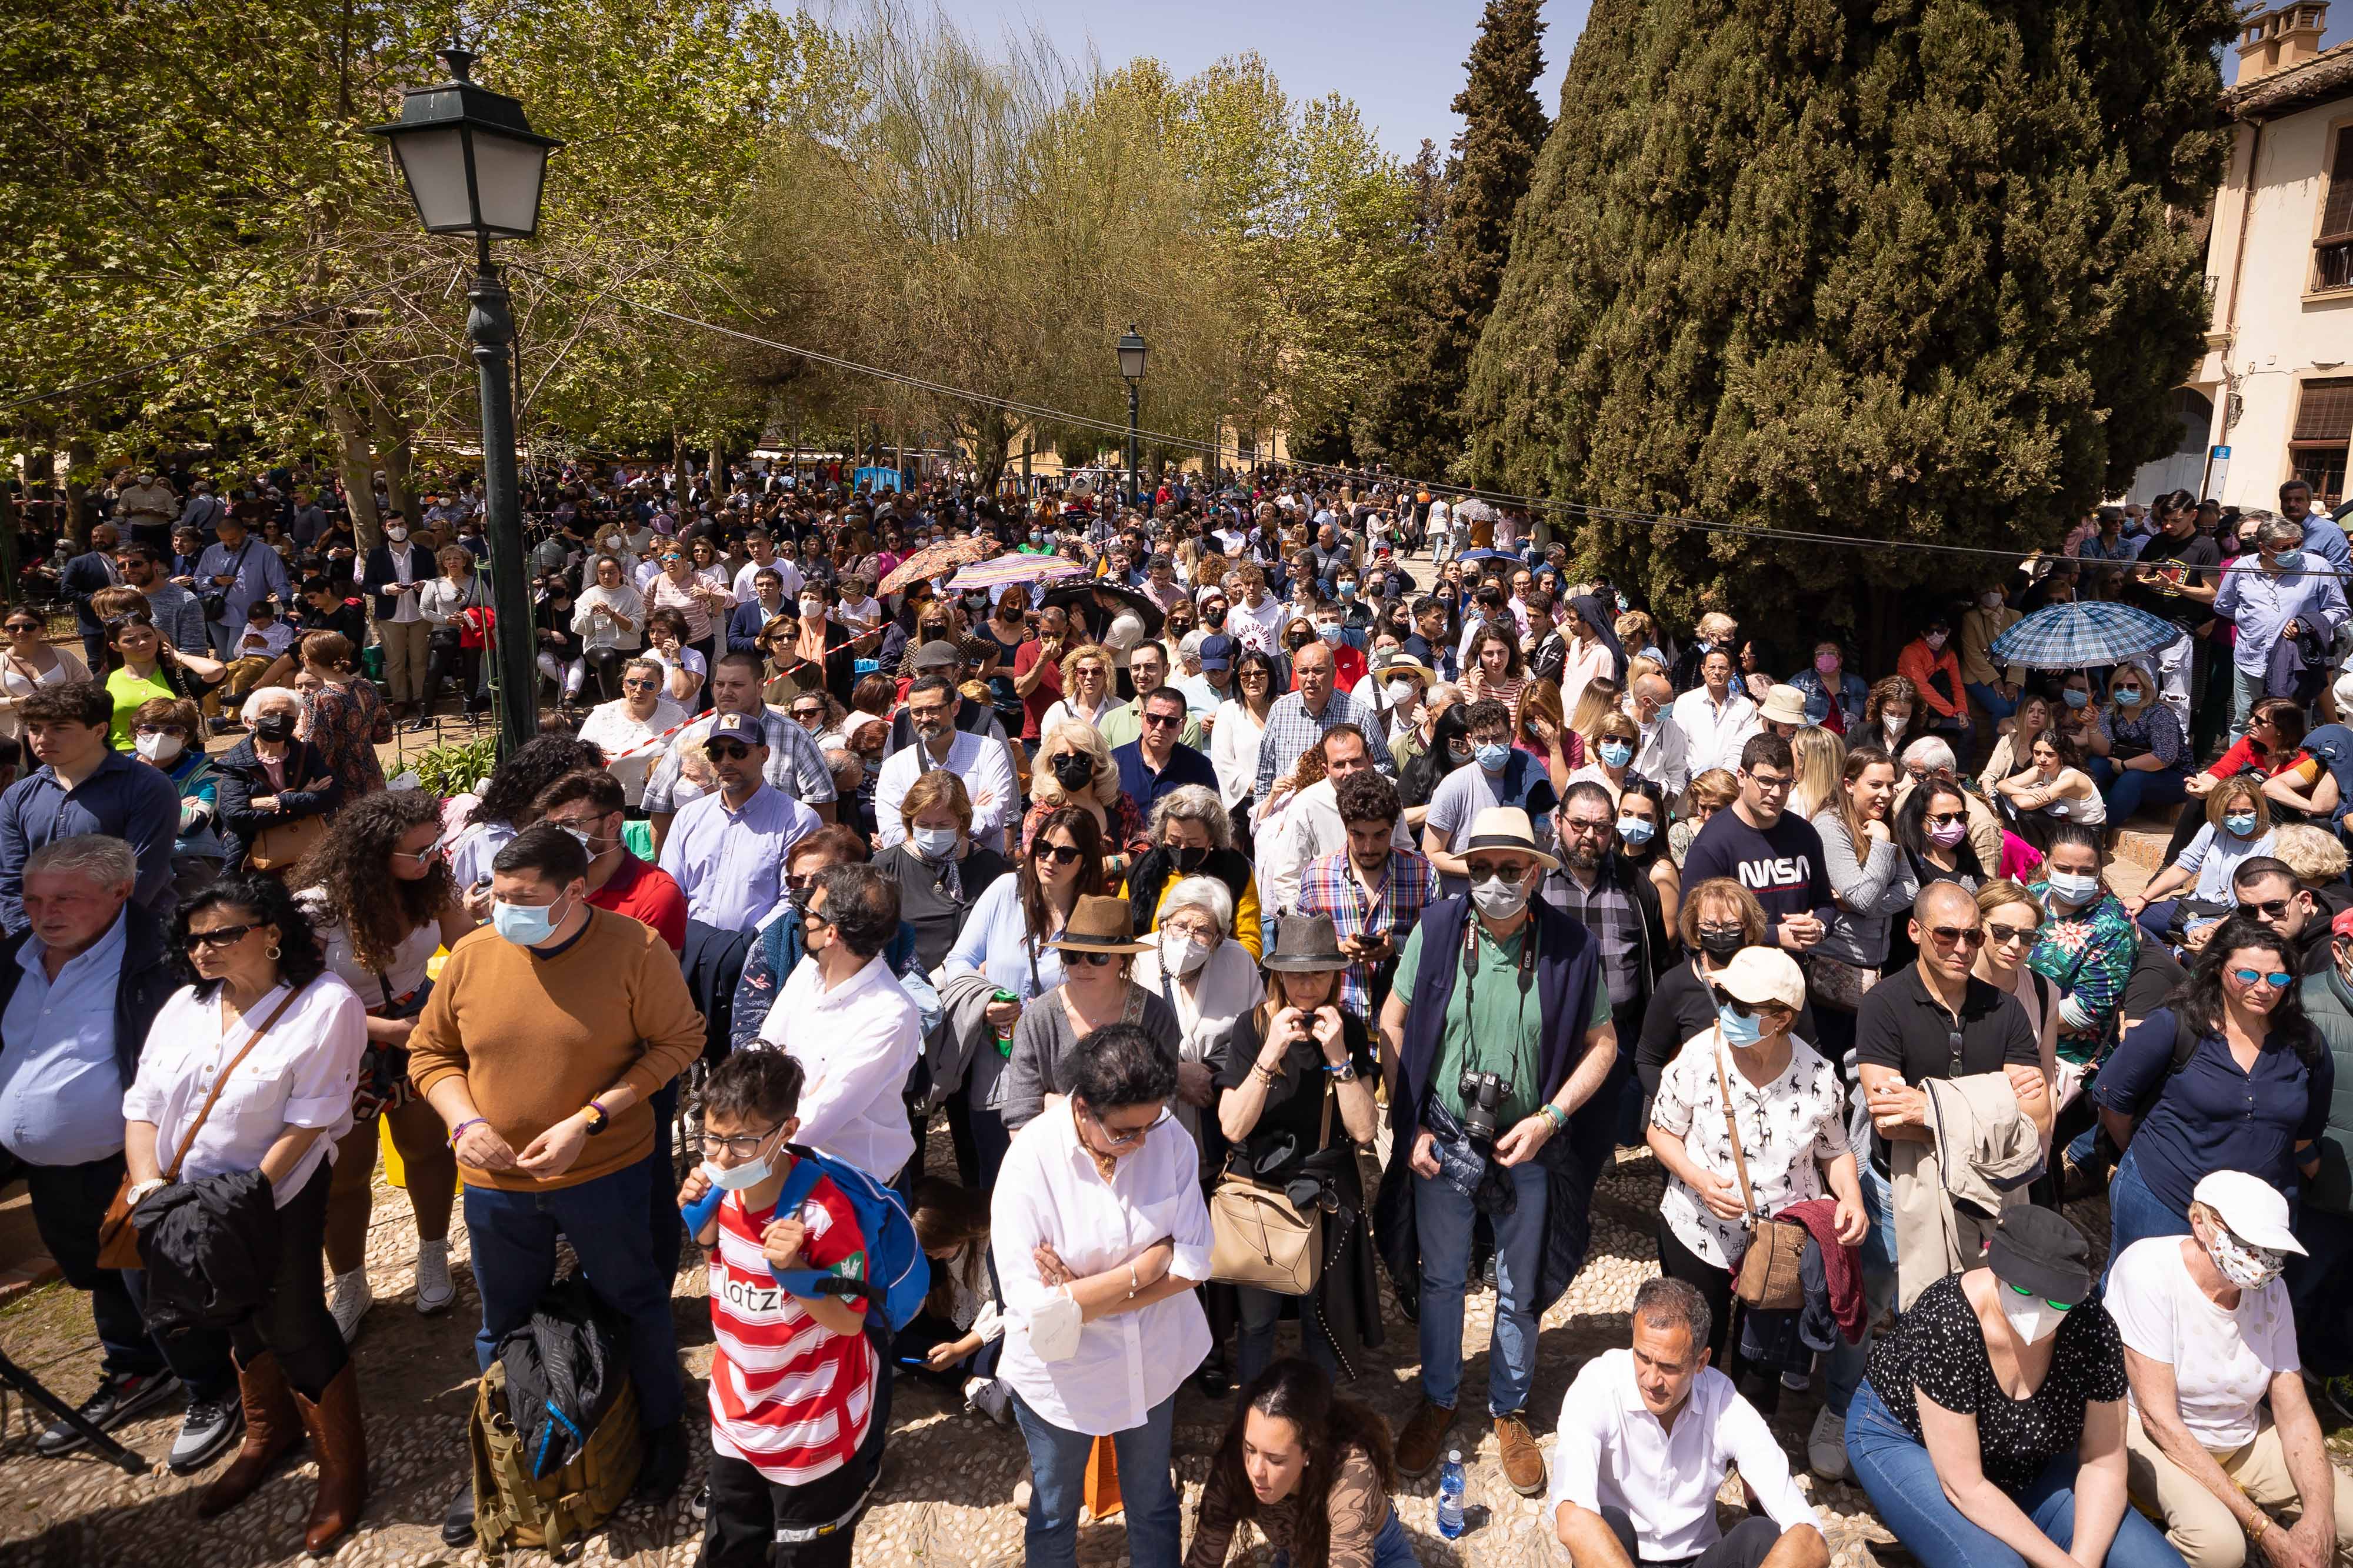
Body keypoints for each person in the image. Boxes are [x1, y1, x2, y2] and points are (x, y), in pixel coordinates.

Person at [409, 825, 708, 1543]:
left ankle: (660, 1427)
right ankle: (507, 1451)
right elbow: (431, 1051)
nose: (501, 909)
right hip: (494, 1182)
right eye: (495, 894)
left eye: (522, 898)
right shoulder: (475, 954)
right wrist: (460, 1120)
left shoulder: (634, 950)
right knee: (503, 1320)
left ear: (575, 891)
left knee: (635, 1300)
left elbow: (680, 1040)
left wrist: (592, 1118)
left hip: (604, 1170)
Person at [1376, 806, 1618, 1497]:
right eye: (1479, 868)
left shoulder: (1571, 946)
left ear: (1536, 873)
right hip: (1444, 1132)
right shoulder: (1438, 927)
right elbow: (1391, 1019)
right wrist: (1409, 1119)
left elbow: (1602, 1045)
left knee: (1519, 1287)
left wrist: (1550, 1116)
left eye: (1510, 869)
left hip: (1528, 1143)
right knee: (1441, 1278)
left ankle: (1509, 1408)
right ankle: (1440, 1394)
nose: (1493, 882)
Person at [124, 873, 370, 1552]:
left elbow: (311, 1120)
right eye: (195, 937)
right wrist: (150, 1189)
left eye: (225, 933)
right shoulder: (183, 1005)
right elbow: (142, 1104)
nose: (205, 949)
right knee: (233, 1313)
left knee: (293, 1318)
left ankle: (342, 1469)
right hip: (182, 1201)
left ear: (272, 934)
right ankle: (268, 1432)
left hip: (275, 1196)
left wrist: (244, 1200)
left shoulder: (324, 1005)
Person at [0, 835, 239, 1472]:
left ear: (120, 892)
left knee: (164, 1284)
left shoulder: (165, 957)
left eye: (65, 898)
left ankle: (213, 1389)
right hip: (51, 1169)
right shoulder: (12, 959)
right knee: (100, 1276)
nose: (43, 912)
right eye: (32, 898)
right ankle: (136, 1370)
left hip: (137, 1159)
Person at [1828, 881, 2053, 1473]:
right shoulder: (1885, 1004)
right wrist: (1991, 1100)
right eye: (1946, 933)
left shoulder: (2002, 1009)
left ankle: (1940, 1426)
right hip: (1891, 1186)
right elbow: (1887, 1120)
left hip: (1979, 1193)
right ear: (1915, 931)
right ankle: (1840, 1407)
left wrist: (1929, 1106)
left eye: (1971, 935)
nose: (1961, 946)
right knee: (1872, 1300)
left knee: (1963, 1313)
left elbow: (2037, 1117)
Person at [1844, 1205, 2177, 1568]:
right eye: (2022, 1289)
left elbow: (2103, 1462)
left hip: (2026, 1461)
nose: (2038, 1309)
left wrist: (2083, 1560)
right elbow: (1965, 1485)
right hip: (1908, 1438)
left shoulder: (2095, 1333)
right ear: (1995, 1269)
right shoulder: (1947, 1321)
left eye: (2058, 1300)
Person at [993, 1019, 1212, 1568]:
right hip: (1063, 1380)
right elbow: (1039, 1315)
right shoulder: (1030, 1166)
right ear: (1082, 1109)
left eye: (1150, 1124)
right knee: (1053, 1511)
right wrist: (1141, 1269)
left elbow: (1194, 1263)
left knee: (1153, 1503)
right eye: (1124, 1133)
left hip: (1152, 1362)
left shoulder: (1168, 1139)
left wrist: (1084, 1295)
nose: (1141, 1143)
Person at [674, 1050, 886, 1568]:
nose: (723, 1158)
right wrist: (698, 1222)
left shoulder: (823, 1213)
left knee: (806, 1555)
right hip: (736, 1413)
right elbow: (721, 1264)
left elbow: (851, 1318)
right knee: (729, 1545)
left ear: (787, 1129)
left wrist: (796, 1276)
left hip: (811, 1429)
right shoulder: (719, 1191)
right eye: (712, 1139)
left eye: (743, 1141)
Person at [291, 789, 471, 1337]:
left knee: (427, 1149)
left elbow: (468, 945)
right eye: (419, 850)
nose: (433, 857)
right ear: (372, 854)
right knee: (345, 1173)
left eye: (435, 844)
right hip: (345, 1039)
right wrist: (383, 1030)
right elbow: (294, 996)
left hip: (420, 1027)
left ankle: (434, 1254)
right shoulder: (317, 909)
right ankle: (350, 1282)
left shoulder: (430, 886)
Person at [2108, 1169, 2353, 1568]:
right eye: (2248, 1243)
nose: (2262, 1261)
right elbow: (2159, 1420)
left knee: (2345, 1519)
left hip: (2239, 1432)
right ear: (2200, 1224)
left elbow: (2292, 1406)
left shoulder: (2272, 1291)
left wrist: (2319, 1516)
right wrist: (2262, 1529)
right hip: (2148, 1431)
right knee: (2219, 1546)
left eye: (2273, 1250)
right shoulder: (2147, 1271)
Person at [1647, 946, 1864, 1375]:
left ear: (1781, 1018)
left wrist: (1852, 1199)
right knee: (1686, 1355)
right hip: (1697, 1231)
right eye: (1726, 1000)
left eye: (1742, 1007)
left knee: (1760, 1373)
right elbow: (1660, 1131)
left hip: (1780, 1249)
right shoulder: (1697, 1056)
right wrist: (1699, 1180)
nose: (1728, 1011)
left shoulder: (1819, 1078)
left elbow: (1835, 1151)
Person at [2094, 911, 2331, 1266]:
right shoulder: (2176, 1025)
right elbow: (2115, 1103)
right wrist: (2146, 1154)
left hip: (2258, 1219)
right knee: (2141, 1301)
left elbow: (2303, 1134)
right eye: (2247, 974)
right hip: (2165, 1199)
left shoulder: (2304, 1042)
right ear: (2220, 969)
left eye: (2277, 977)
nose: (2263, 988)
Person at [1551, 1276, 1829, 1568]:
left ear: (1701, 1362)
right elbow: (1573, 1518)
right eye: (1643, 1357)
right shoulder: (1597, 1386)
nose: (1651, 1379)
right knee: (1607, 1521)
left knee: (1762, 1535)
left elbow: (1810, 1539)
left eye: (1669, 1367)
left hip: (1697, 1559)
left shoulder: (1725, 1405)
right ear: (1634, 1332)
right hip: (1616, 1554)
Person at [1210, 916, 1381, 1385]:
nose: (1308, 986)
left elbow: (1365, 1130)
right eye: (1297, 973)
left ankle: (1317, 1423)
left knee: (1320, 1321)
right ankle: (1253, 1416)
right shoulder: (1252, 1028)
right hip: (1262, 1198)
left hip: (1323, 1195)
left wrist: (1340, 1060)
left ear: (1335, 976)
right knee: (1258, 1320)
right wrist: (1270, 1055)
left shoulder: (1344, 1028)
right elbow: (1232, 1125)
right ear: (1278, 975)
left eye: (1319, 973)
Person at [940, 807, 1104, 1186]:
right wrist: (985, 1003)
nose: (1049, 860)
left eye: (1065, 854)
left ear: (1085, 861)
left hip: (1061, 1078)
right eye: (1043, 848)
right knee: (997, 1186)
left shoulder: (1095, 916)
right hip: (997, 1069)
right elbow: (960, 960)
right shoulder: (1004, 893)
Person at [753, 862, 922, 1186]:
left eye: (809, 912)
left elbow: (814, 1121)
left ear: (831, 933)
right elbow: (764, 1051)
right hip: (787, 1162)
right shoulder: (809, 968)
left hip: (857, 1186)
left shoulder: (891, 1015)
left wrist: (740, 1137)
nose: (802, 919)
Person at [1185, 1358, 1417, 1568]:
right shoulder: (1235, 1463)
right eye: (1250, 1448)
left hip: (1381, 1556)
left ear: (1309, 1451)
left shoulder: (1351, 1473)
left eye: (1275, 1459)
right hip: (1300, 1555)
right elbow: (1205, 1554)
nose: (1255, 1470)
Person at [0, 682, 185, 930]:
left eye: (59, 728)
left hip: (133, 941)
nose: (42, 739)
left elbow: (142, 875)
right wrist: (32, 941)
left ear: (99, 731)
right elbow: (10, 880)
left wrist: (84, 940)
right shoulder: (18, 796)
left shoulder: (148, 787)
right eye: (34, 728)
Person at [999, 894, 1181, 1134]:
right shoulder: (1038, 1017)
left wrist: (1062, 1107)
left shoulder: (1155, 1014)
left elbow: (1163, 1109)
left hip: (1133, 1154)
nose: (1083, 966)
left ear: (1123, 960)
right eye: (1072, 956)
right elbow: (1021, 1116)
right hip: (1054, 1156)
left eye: (1098, 957)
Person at [642, 652, 837, 850]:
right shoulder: (690, 736)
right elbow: (660, 805)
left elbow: (821, 804)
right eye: (719, 684)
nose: (726, 692)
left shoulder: (795, 736)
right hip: (705, 858)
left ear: (760, 686)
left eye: (737, 685)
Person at [1135, 874, 1262, 1160]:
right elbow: (1121, 1042)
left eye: (1202, 931)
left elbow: (1258, 1030)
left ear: (1218, 939)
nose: (1189, 938)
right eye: (1181, 925)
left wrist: (1212, 1072)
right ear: (1164, 922)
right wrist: (1175, 1076)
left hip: (1215, 1130)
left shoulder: (1238, 961)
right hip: (1148, 1130)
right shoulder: (1138, 957)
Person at [1809, 746, 1919, 1062]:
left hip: (1873, 966)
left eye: (1890, 786)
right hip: (1835, 967)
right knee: (1835, 1063)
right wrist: (1883, 845)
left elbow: (1910, 888)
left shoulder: (1884, 822)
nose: (1885, 795)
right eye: (1875, 785)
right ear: (1848, 784)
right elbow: (1864, 898)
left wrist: (1858, 903)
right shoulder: (1831, 826)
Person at [1682, 734, 1836, 955]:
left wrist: (1819, 927)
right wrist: (1774, 936)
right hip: (1734, 980)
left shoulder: (1805, 834)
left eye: (1785, 783)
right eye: (1766, 781)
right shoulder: (1712, 845)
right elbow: (1693, 930)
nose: (1776, 793)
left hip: (1794, 979)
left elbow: (1824, 903)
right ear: (1742, 777)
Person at [2212, 511, 2349, 735]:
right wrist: (2253, 620)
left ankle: (2288, 769)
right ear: (2263, 547)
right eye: (2283, 548)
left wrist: (2307, 625)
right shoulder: (2243, 567)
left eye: (2297, 544)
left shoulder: (2317, 566)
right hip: (2250, 660)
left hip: (2296, 664)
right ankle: (2245, 768)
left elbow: (2339, 609)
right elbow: (2223, 606)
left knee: (2291, 724)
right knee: (2246, 721)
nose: (2292, 552)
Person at [2026, 823, 2142, 1076]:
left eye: (2086, 871)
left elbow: (2087, 1010)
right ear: (2045, 862)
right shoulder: (2031, 898)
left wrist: (2011, 1020)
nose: (2075, 879)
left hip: (2066, 1059)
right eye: (2064, 869)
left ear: (2100, 869)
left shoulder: (2113, 926)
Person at [531, 768, 688, 952]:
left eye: (570, 825)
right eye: (552, 826)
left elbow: (651, 976)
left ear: (613, 823)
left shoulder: (657, 894)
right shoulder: (546, 882)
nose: (558, 836)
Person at [873, 769, 1011, 972]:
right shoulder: (886, 865)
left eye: (943, 824)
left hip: (966, 983)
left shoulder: (990, 867)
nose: (932, 832)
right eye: (924, 824)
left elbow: (1002, 938)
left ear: (962, 822)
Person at [1422, 697, 1561, 895]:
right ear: (1470, 741)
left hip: (1517, 897)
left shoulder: (1528, 776)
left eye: (1498, 738)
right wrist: (1486, 872)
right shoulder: (1453, 786)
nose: (1490, 746)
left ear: (1511, 737)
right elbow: (1432, 854)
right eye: (1482, 740)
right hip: (1466, 901)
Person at [874, 673, 1015, 851]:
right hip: (920, 873)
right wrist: (968, 813)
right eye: (917, 712)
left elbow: (993, 819)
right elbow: (891, 834)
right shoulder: (896, 765)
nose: (925, 719)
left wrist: (917, 827)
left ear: (955, 708)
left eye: (934, 710)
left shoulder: (988, 751)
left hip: (978, 870)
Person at [1128, 783, 1265, 958]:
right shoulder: (1143, 868)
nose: (1183, 848)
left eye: (1193, 843)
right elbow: (1122, 930)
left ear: (1213, 839)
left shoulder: (1235, 870)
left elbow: (1250, 942)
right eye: (1175, 841)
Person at [213, 687, 341, 876]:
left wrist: (278, 802)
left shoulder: (307, 753)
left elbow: (332, 797)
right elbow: (236, 818)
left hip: (308, 855)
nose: (279, 719)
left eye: (287, 714)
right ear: (250, 721)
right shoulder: (232, 764)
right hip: (251, 862)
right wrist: (305, 799)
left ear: (296, 720)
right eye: (270, 714)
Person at [2127, 780, 2275, 940]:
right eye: (2230, 812)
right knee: (2127, 919)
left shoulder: (2272, 844)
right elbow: (2182, 868)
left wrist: (2213, 927)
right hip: (2197, 907)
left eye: (2246, 812)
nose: (2237, 818)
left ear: (2258, 809)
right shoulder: (2213, 830)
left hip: (2237, 916)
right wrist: (2143, 898)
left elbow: (2261, 904)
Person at [1254, 640, 1394, 801]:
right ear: (1296, 674)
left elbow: (1386, 764)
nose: (1311, 678)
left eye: (1318, 671)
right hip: (1287, 814)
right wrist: (1262, 816)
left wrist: (1354, 782)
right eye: (1304, 672)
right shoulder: (1280, 711)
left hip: (1342, 810)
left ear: (1334, 673)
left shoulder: (1359, 713)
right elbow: (1264, 773)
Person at [129, 696, 225, 896]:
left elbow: (195, 823)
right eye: (149, 728)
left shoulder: (205, 771)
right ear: (134, 732)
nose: (159, 736)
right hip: (126, 863)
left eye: (172, 731)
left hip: (185, 863)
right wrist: (174, 805)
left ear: (186, 737)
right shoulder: (117, 770)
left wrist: (134, 805)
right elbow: (104, 818)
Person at [1025, 720, 1149, 875]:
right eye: (1062, 759)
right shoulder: (1042, 813)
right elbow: (1040, 865)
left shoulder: (1121, 804)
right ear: (1051, 764)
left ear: (1098, 762)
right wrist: (1120, 862)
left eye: (1081, 758)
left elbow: (1145, 856)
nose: (1071, 764)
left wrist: (1112, 864)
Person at [2084, 661, 2187, 828]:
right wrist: (2093, 727)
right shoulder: (2110, 712)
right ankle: (2081, 815)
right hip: (2124, 769)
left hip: (2172, 776)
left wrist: (2125, 766)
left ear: (2145, 689)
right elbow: (2104, 751)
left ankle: (2101, 827)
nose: (2125, 690)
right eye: (2119, 686)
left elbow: (2164, 757)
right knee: (2096, 764)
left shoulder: (2160, 714)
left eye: (2132, 687)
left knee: (2133, 778)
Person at [576, 657, 687, 809]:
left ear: (660, 686)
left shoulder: (677, 717)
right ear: (623, 684)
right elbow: (579, 759)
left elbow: (689, 759)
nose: (639, 690)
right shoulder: (601, 714)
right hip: (608, 804)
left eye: (648, 685)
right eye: (632, 683)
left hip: (659, 806)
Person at [298, 632, 387, 802]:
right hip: (372, 772)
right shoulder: (368, 686)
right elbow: (384, 733)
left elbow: (317, 749)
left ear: (309, 660)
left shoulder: (320, 699)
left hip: (340, 780)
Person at [361, 515, 434, 719]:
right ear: (385, 529)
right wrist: (386, 589)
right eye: (392, 526)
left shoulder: (423, 552)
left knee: (420, 659)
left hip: (420, 612)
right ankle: (400, 700)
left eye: (401, 524)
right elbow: (368, 585)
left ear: (407, 525)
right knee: (395, 662)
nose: (397, 529)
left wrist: (425, 584)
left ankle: (421, 699)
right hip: (390, 616)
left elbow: (436, 579)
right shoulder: (377, 554)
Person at [192, 509, 290, 660]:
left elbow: (280, 582)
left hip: (244, 614)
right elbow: (198, 581)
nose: (229, 543)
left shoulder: (265, 552)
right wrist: (215, 581)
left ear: (244, 532)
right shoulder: (212, 552)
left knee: (235, 654)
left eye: (233, 539)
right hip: (215, 612)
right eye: (224, 540)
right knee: (224, 656)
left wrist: (288, 607)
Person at [412, 543, 491, 728]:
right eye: (448, 559)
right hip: (443, 634)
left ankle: (469, 711)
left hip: (471, 632)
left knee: (472, 671)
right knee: (433, 673)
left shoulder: (477, 581)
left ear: (465, 561)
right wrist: (447, 619)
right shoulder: (434, 584)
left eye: (456, 558)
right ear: (443, 563)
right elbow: (424, 610)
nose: (452, 562)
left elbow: (490, 606)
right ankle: (425, 717)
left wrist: (470, 616)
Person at [1114, 685, 1220, 818]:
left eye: (1170, 722)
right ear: (1142, 717)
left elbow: (1214, 819)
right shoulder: (1114, 763)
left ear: (1183, 725)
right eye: (1153, 718)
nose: (1160, 727)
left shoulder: (1200, 768)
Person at [0, 606, 91, 743]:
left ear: (43, 629)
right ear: (4, 631)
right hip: (18, 736)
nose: (21, 632)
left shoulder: (65, 657)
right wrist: (15, 702)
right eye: (13, 628)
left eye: (28, 627)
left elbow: (88, 688)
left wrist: (61, 700)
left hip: (63, 730)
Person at [1212, 647, 1280, 826]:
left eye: (1260, 674)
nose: (1253, 680)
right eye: (1246, 675)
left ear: (1271, 676)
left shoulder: (1284, 708)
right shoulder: (1228, 711)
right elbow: (1222, 762)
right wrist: (1258, 785)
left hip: (1284, 802)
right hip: (1243, 807)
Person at [1670, 646, 1761, 776]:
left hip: (1730, 781)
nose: (1717, 672)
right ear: (1703, 669)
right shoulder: (1685, 702)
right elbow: (1680, 745)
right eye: (1712, 667)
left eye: (1723, 668)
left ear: (1732, 671)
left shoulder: (1744, 706)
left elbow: (1746, 747)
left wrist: (1726, 777)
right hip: (1692, 780)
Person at [1897, 616, 1970, 744]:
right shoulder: (1911, 652)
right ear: (1923, 634)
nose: (1936, 635)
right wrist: (1951, 712)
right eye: (1931, 631)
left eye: (1940, 631)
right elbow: (1921, 687)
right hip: (1914, 700)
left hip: (1940, 703)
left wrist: (1961, 711)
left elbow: (1957, 685)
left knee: (1969, 730)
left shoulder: (1949, 654)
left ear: (1947, 632)